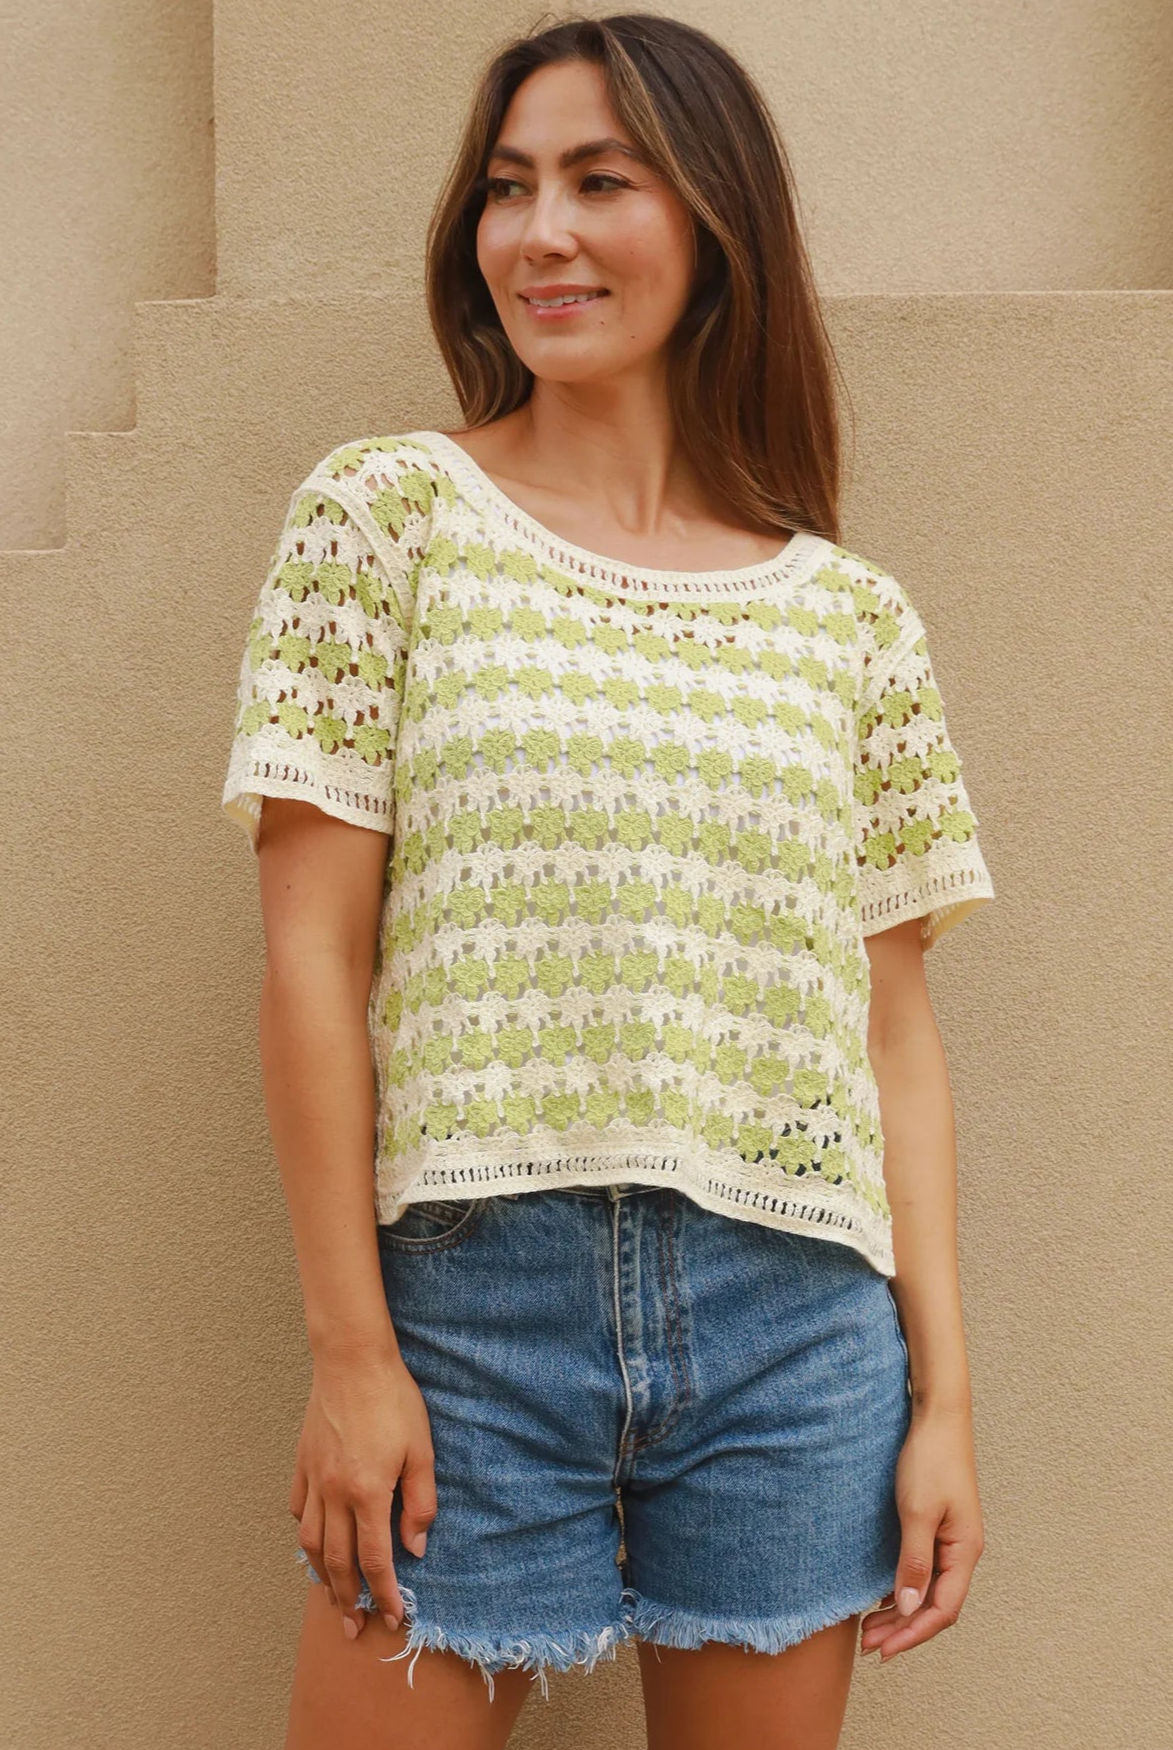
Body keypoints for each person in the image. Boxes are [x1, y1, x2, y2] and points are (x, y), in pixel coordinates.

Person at [221, 14, 995, 1749]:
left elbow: (893, 1036)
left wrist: (945, 1400)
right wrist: (354, 1352)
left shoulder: (851, 620)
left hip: (795, 1332)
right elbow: (308, 961)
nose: (540, 233)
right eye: (507, 190)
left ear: (714, 219)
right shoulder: (384, 520)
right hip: (467, 1312)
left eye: (598, 181)